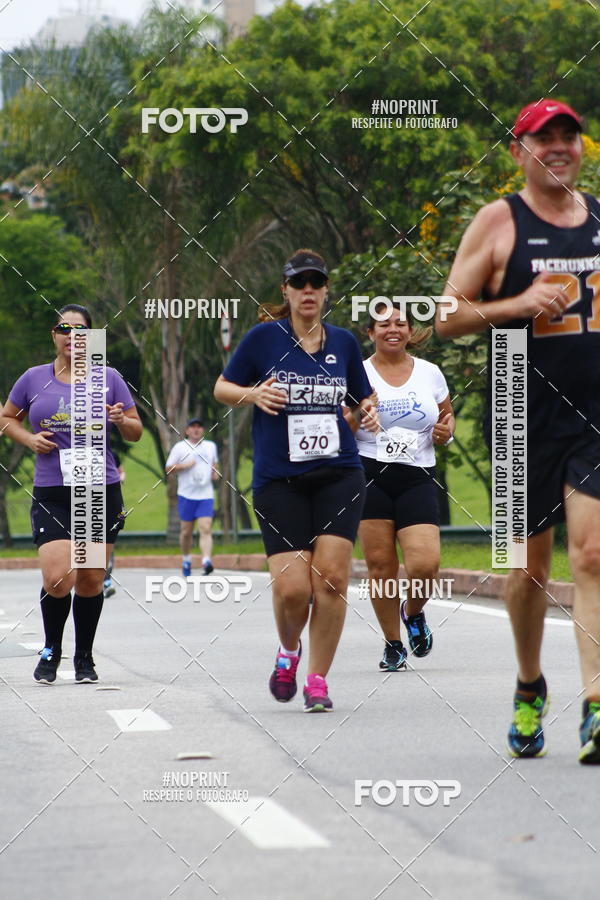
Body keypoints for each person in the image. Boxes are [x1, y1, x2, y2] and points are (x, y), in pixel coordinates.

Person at [436, 99, 600, 764]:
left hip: (594, 415)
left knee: (590, 555)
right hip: (518, 411)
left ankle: (596, 704)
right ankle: (530, 683)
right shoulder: (499, 221)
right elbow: (445, 315)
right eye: (543, 138)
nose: (558, 147)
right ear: (518, 151)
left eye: (569, 136)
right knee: (527, 570)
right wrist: (516, 305)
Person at [214, 249, 379, 711]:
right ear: (285, 291)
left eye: (316, 283)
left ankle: (317, 680)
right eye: (299, 283)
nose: (308, 291)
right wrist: (253, 393)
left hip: (340, 475)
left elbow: (363, 399)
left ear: (326, 291)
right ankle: (289, 651)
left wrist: (367, 412)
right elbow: (222, 388)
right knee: (293, 590)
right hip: (278, 479)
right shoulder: (264, 339)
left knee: (330, 581)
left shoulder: (344, 343)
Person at [0, 304, 142, 684]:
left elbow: (135, 431)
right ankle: (51, 649)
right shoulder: (33, 379)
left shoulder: (109, 378)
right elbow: (6, 418)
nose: (72, 336)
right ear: (54, 335)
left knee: (91, 579)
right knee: (58, 577)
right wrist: (29, 438)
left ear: (90, 338)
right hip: (52, 491)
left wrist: (121, 419)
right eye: (64, 329)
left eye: (80, 330)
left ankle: (84, 657)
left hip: (98, 490)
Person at [349, 302, 454, 671]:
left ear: (410, 331)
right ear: (370, 333)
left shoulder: (429, 372)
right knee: (380, 566)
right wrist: (358, 414)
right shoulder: (356, 373)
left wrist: (447, 432)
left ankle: (414, 612)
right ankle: (393, 644)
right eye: (383, 324)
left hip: (417, 473)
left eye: (401, 323)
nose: (393, 329)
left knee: (425, 563)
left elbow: (446, 415)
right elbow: (342, 425)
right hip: (368, 471)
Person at [165, 419, 219, 576]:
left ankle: (206, 561)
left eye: (199, 427)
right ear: (187, 431)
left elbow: (214, 463)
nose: (196, 430)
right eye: (193, 427)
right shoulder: (180, 448)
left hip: (205, 494)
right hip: (186, 495)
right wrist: (185, 466)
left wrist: (214, 472)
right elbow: (169, 468)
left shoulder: (211, 446)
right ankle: (186, 559)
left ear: (203, 430)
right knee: (186, 532)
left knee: (206, 528)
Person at [103, 449, 126, 598]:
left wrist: (119, 479)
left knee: (107, 543)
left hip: (109, 499)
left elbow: (121, 472)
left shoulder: (111, 453)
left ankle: (106, 581)